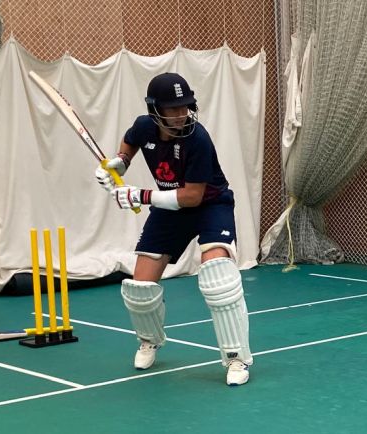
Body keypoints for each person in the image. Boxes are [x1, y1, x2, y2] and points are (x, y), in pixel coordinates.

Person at [94, 72, 253, 386]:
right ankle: (149, 340)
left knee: (218, 276)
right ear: (156, 110)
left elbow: (192, 196)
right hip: (170, 210)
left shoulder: (198, 138)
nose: (182, 114)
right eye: (173, 108)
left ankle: (237, 359)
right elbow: (130, 142)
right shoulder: (144, 126)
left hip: (211, 205)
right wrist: (120, 163)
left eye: (186, 106)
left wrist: (139, 195)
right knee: (139, 289)